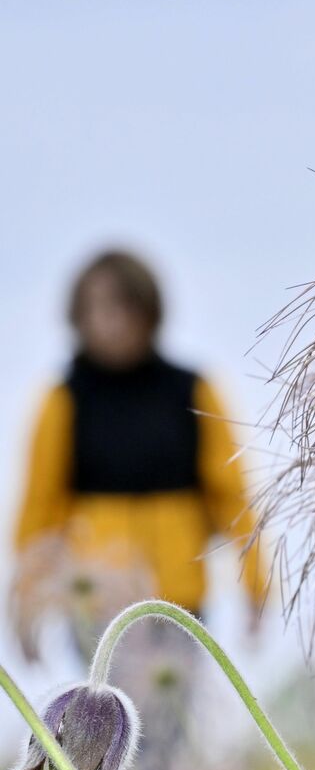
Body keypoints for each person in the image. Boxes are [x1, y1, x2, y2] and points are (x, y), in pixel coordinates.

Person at [10, 249, 268, 660]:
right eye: (95, 308)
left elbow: (232, 497)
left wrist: (257, 586)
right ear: (78, 317)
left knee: (170, 721)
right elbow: (40, 510)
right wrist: (26, 607)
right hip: (93, 605)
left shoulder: (194, 390)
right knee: (104, 717)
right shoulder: (62, 401)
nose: (109, 322)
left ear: (149, 311)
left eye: (120, 307)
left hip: (179, 602)